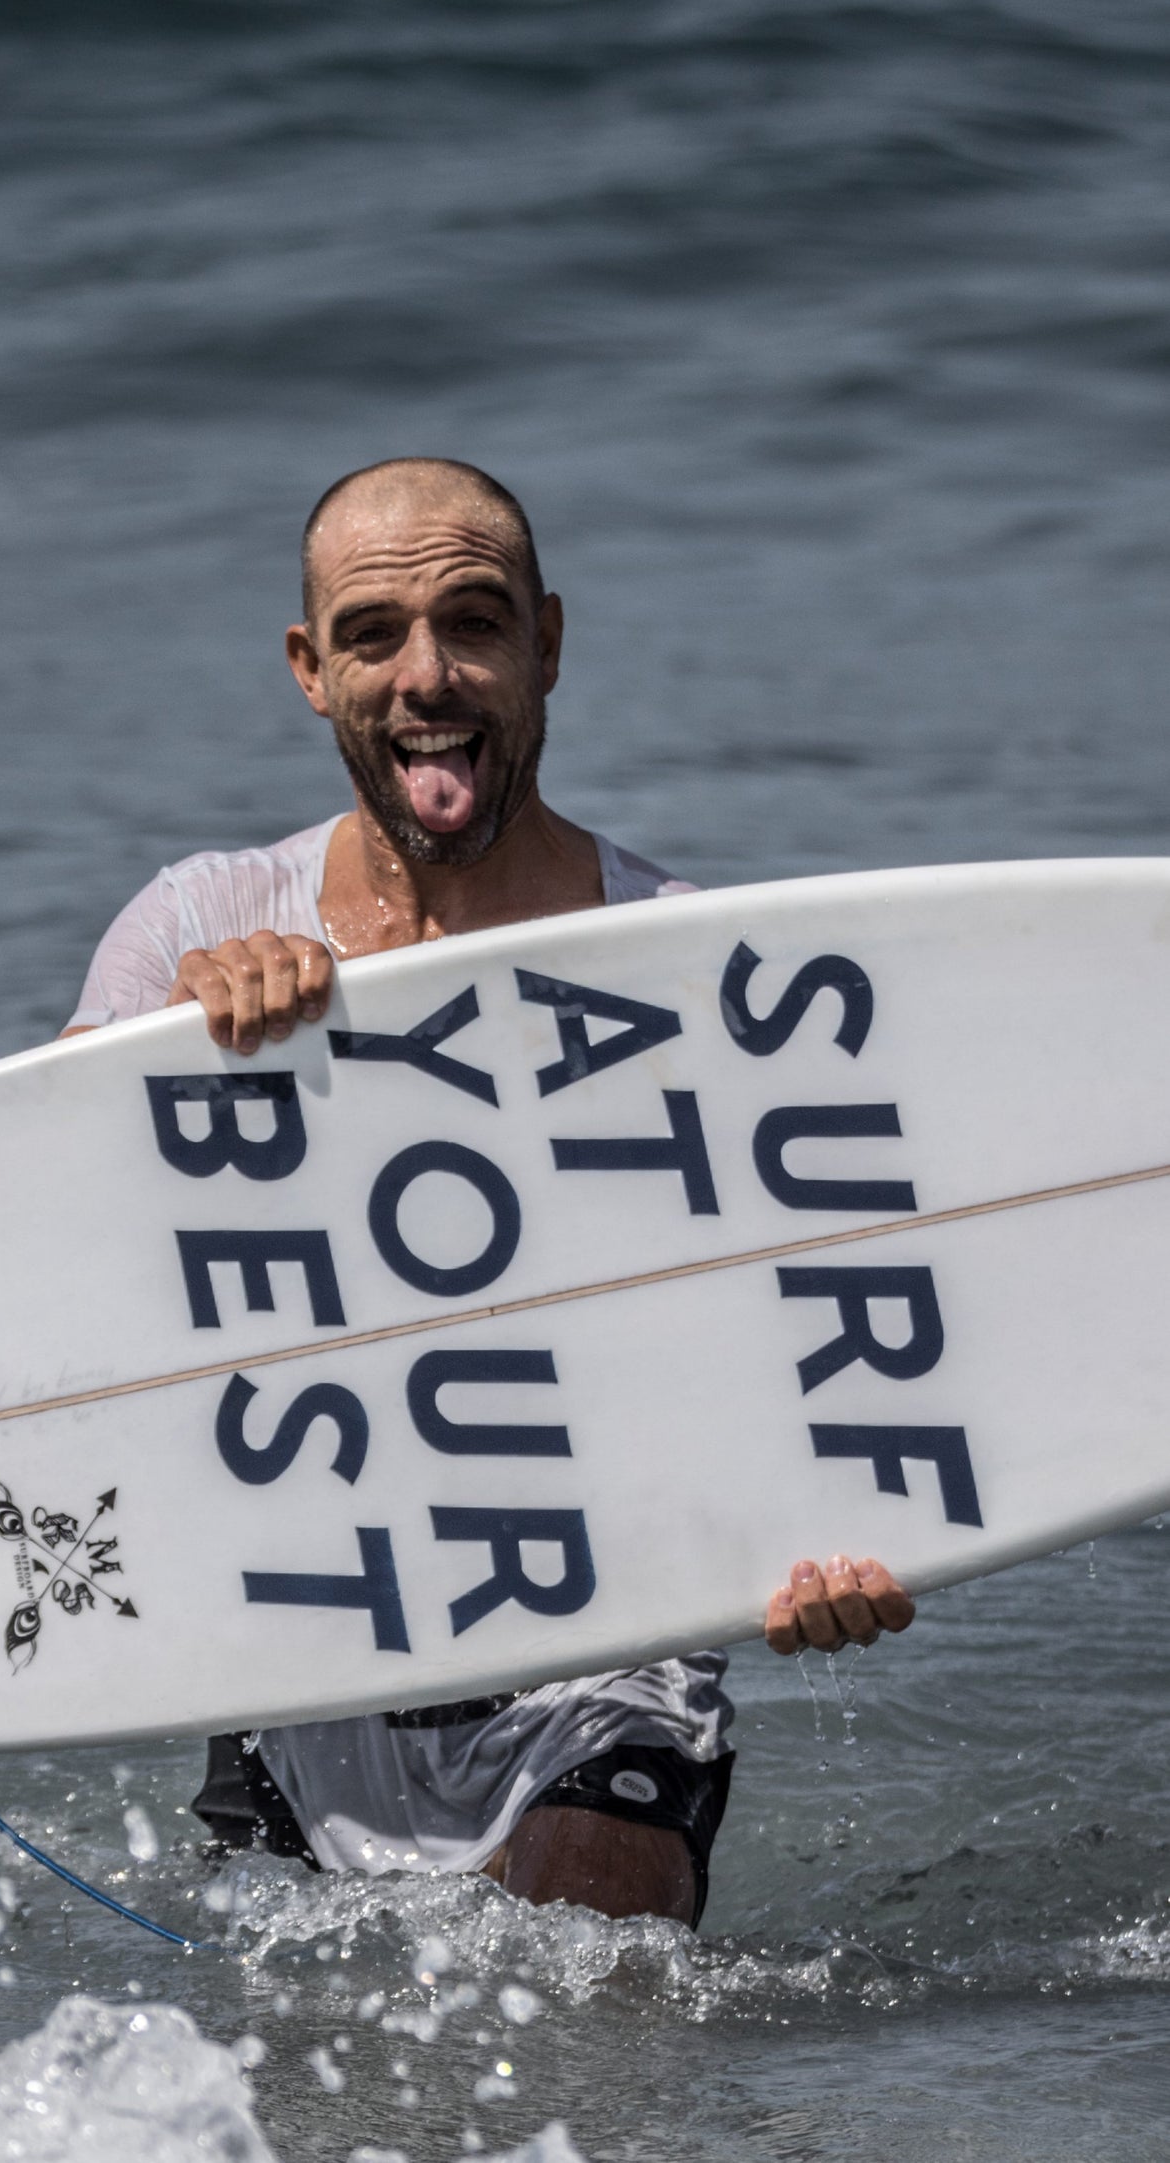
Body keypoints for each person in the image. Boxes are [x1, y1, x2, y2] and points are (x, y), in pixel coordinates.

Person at [63, 457, 914, 1926]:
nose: (426, 675)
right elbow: (53, 1249)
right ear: (307, 670)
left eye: (474, 622)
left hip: (607, 1627)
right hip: (307, 1633)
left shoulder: (684, 968)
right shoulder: (199, 925)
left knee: (595, 1981)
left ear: (547, 647)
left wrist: (832, 1537)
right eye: (372, 635)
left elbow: (802, 1322)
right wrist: (162, 1063)